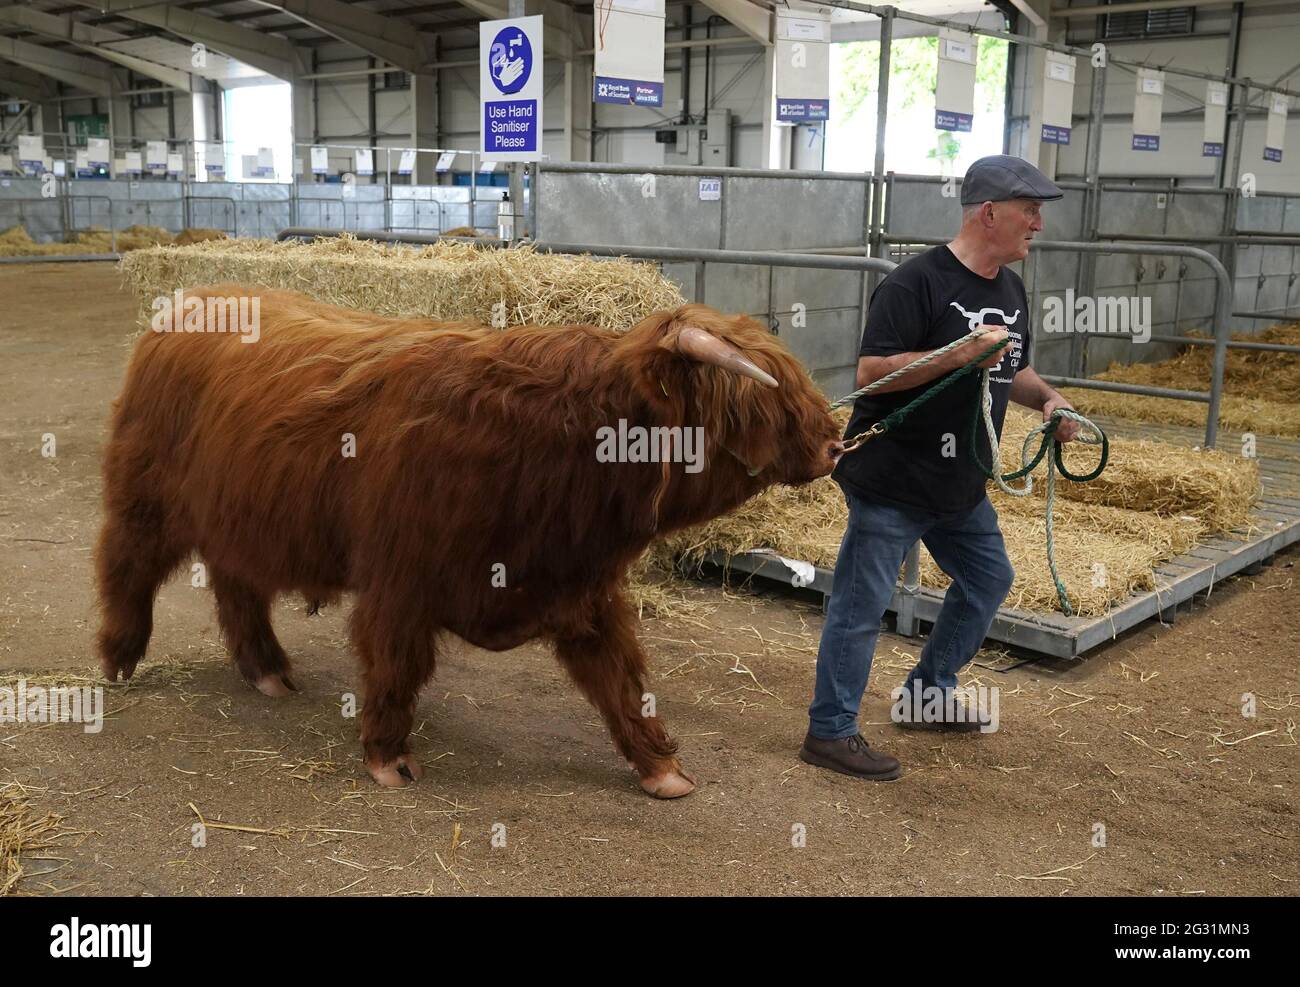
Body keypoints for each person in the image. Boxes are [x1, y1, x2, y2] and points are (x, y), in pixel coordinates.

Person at [800, 154, 1082, 782]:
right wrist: (959, 355)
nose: (1037, 224)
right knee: (862, 602)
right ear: (990, 213)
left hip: (959, 481)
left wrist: (1051, 400)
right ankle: (830, 730)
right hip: (894, 477)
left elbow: (1015, 370)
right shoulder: (914, 283)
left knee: (988, 580)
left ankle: (927, 694)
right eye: (1029, 211)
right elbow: (872, 373)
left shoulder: (1009, 289)